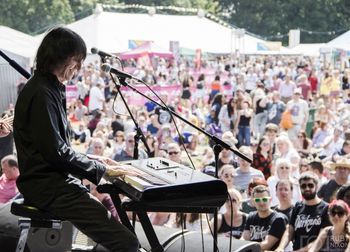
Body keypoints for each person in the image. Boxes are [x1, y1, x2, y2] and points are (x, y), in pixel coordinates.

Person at [13, 27, 139, 252]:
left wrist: (96, 159)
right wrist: (102, 170)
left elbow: (55, 146)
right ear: (61, 58)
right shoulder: (42, 93)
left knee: (108, 234)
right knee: (126, 242)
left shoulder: (48, 88)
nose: (79, 67)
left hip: (50, 183)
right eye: (77, 60)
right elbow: (55, 153)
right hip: (48, 188)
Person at [276, 171, 330, 252]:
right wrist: (281, 247)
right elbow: (289, 231)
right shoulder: (297, 206)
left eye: (310, 185)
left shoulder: (326, 208)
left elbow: (321, 239)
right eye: (303, 186)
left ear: (317, 186)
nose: (307, 188)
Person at [242, 185, 287, 251]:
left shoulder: (278, 219)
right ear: (253, 202)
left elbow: (266, 245)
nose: (261, 203)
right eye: (257, 200)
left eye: (264, 199)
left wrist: (246, 249)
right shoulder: (251, 217)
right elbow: (244, 239)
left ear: (270, 200)